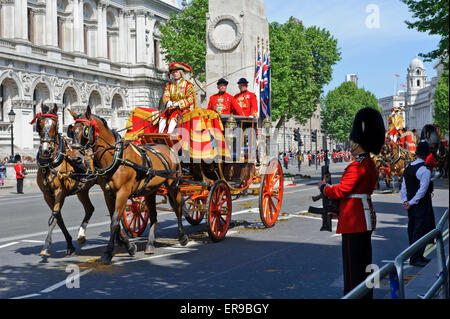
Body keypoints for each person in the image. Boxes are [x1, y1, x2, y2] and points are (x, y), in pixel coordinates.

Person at [318, 107, 385, 299]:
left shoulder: (358, 166)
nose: (351, 145)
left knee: (352, 270)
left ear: (358, 143)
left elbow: (341, 190)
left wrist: (324, 187)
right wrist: (339, 211)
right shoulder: (368, 163)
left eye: (353, 142)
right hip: (361, 217)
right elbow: (355, 193)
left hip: (355, 222)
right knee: (363, 265)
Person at [400, 141, 436, 267]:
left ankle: (418, 255)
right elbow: (423, 189)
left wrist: (405, 200)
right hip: (422, 204)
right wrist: (411, 202)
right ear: (426, 154)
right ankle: (415, 258)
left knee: (413, 229)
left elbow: (403, 186)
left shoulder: (409, 167)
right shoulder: (424, 169)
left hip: (411, 204)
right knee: (422, 230)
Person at [159, 62, 197, 133]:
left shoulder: (188, 84)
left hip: (183, 109)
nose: (175, 74)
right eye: (173, 72)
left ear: (181, 73)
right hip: (171, 107)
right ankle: (160, 133)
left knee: (174, 116)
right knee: (162, 115)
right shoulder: (169, 85)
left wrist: (179, 104)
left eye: (176, 72)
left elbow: (191, 99)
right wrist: (168, 102)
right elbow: (166, 95)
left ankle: (169, 134)